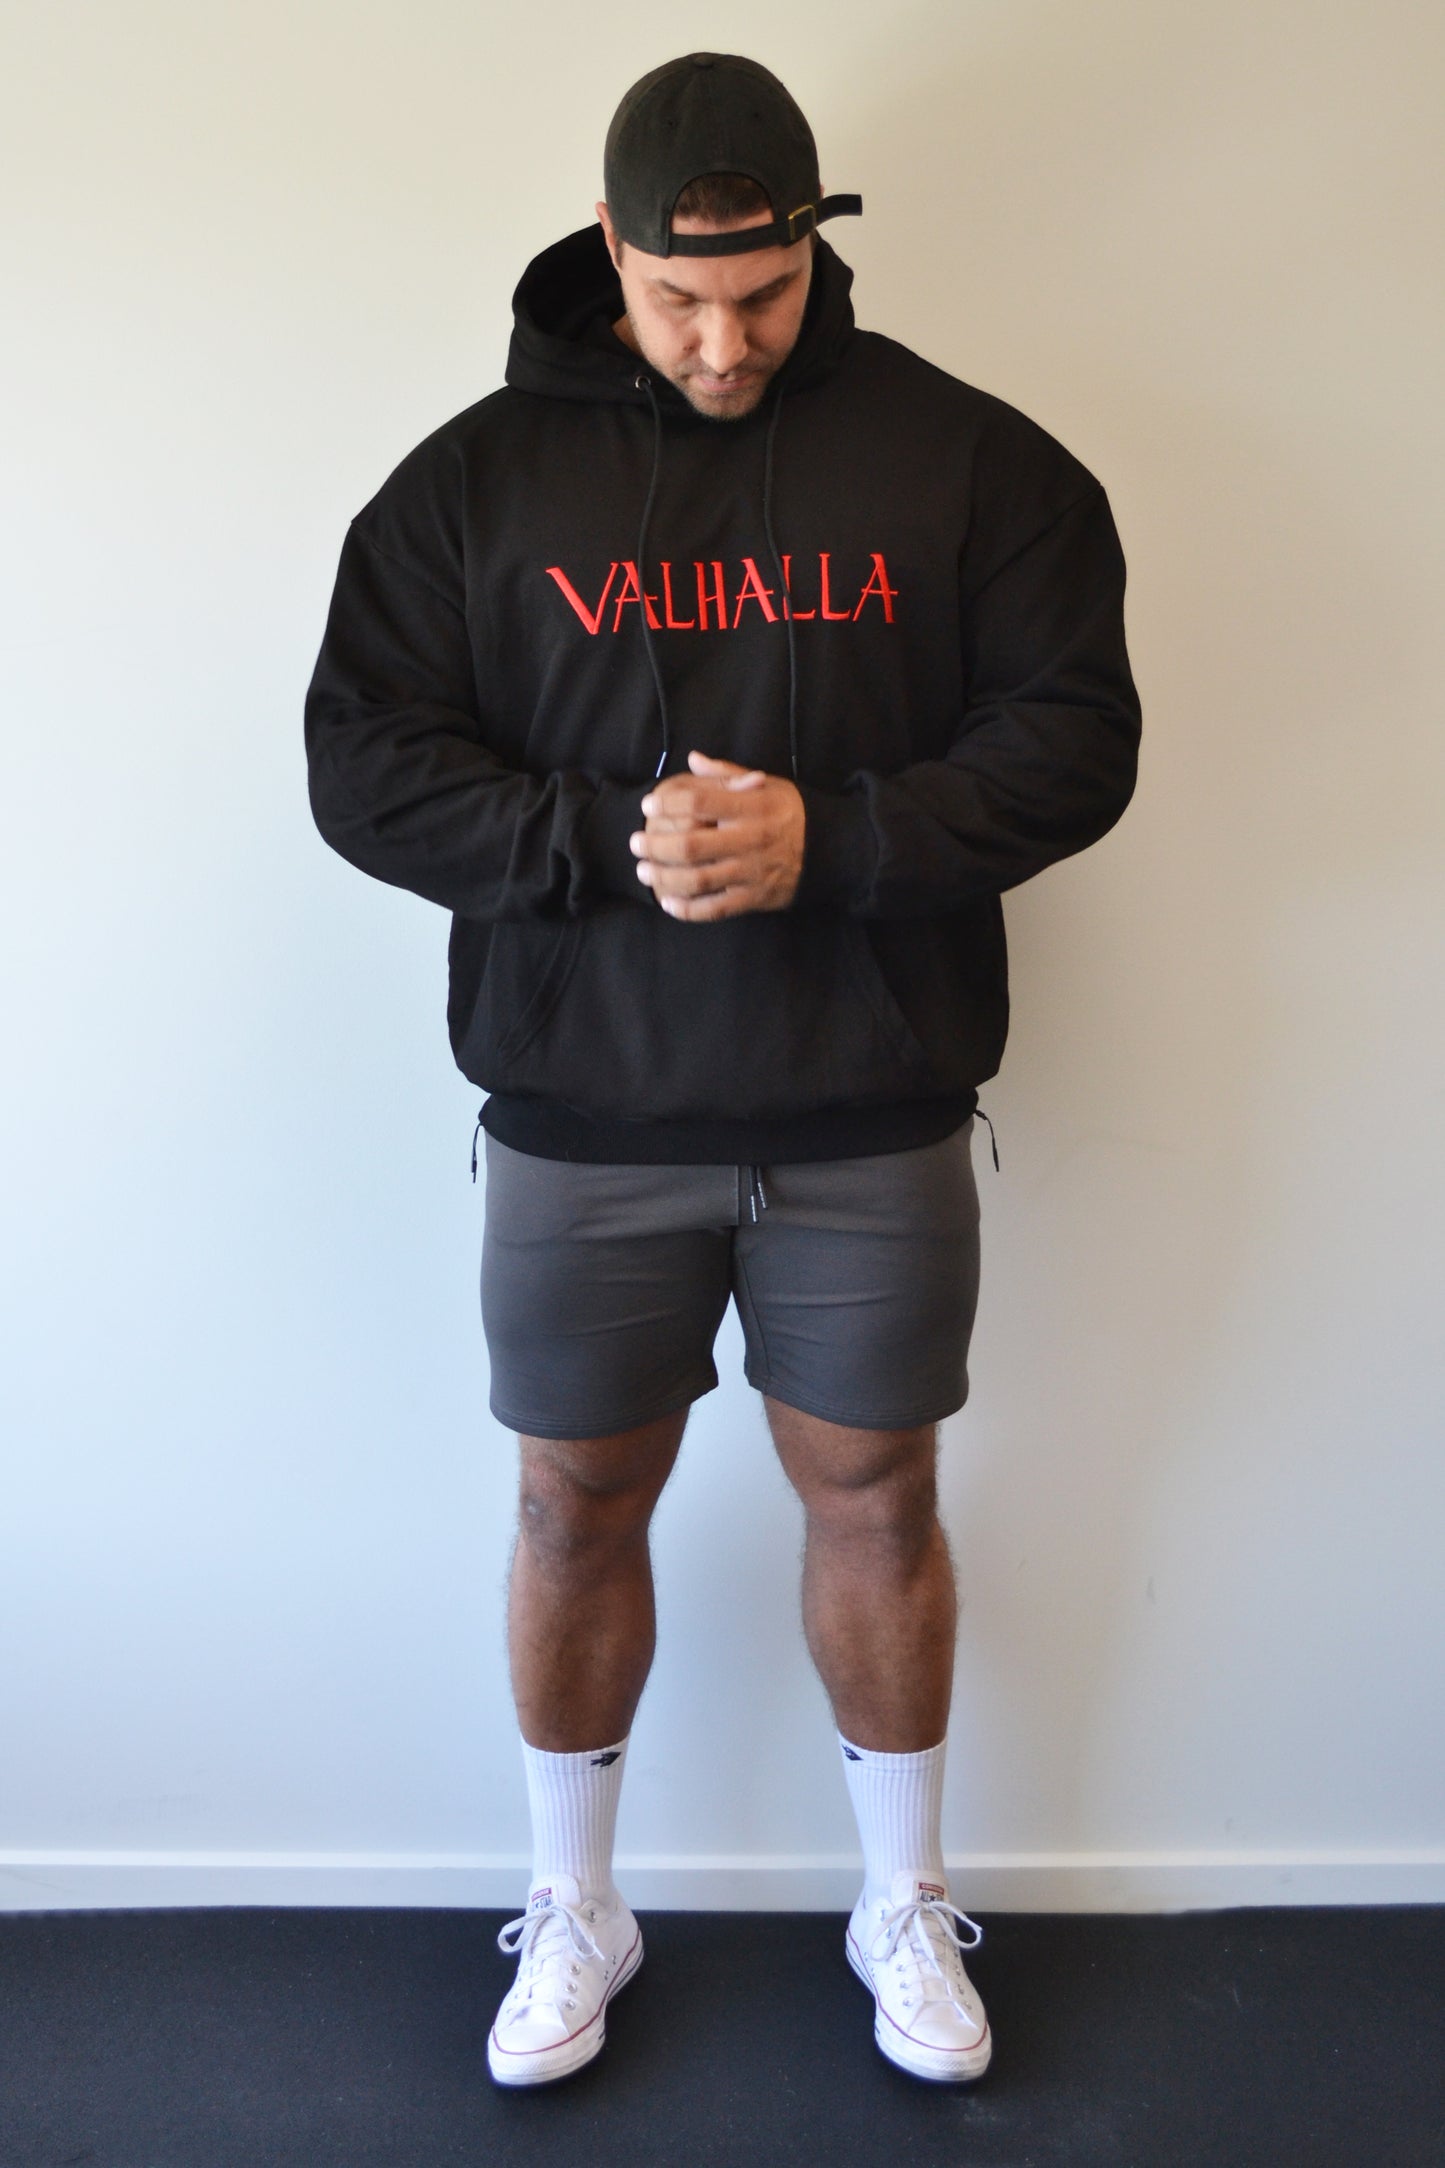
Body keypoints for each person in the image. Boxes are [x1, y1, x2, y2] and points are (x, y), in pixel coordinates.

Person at [305, 50, 1140, 2090]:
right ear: (611, 250)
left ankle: (900, 1900)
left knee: (877, 1498)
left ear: (814, 245)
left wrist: (830, 840)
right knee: (571, 1500)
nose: (720, 341)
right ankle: (574, 1903)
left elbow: (1075, 740)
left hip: (870, 1103)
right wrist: (610, 840)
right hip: (583, 1111)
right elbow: (364, 767)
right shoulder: (468, 487)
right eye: (679, 299)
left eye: (760, 296)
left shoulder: (973, 464)